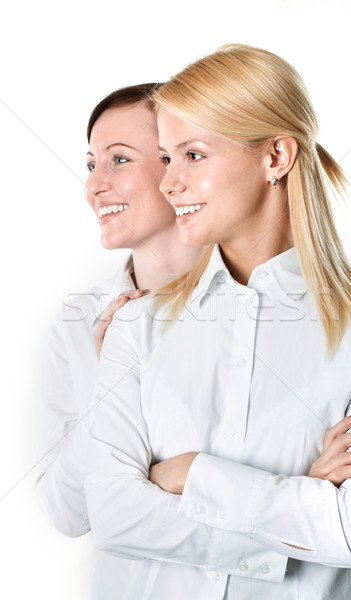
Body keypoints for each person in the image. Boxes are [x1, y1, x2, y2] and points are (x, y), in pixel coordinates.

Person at [82, 45, 351, 599]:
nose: (168, 183)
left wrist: (190, 474)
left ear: (276, 156)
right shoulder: (138, 326)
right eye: (164, 156)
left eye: (194, 155)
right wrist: (301, 498)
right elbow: (113, 515)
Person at [35, 83, 202, 599]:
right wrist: (113, 386)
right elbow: (69, 513)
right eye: (91, 165)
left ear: (181, 168)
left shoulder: (268, 306)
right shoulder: (75, 326)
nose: (94, 186)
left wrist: (135, 484)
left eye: (118, 160)